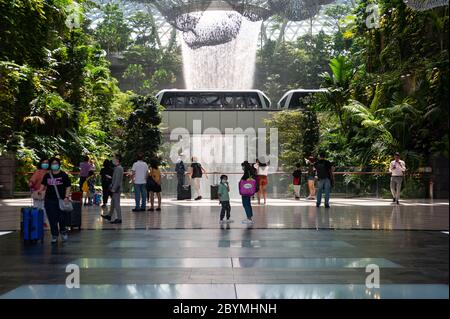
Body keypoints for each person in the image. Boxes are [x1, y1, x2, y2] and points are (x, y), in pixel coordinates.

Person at [39, 157, 71, 244]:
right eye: (52, 164)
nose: (54, 165)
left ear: (59, 165)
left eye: (56, 163)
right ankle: (54, 235)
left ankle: (63, 230)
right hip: (49, 200)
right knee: (52, 219)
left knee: (62, 217)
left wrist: (66, 197)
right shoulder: (47, 175)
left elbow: (68, 186)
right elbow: (42, 185)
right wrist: (39, 191)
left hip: (61, 200)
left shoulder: (63, 175)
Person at [101, 155, 124, 224]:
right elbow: (116, 178)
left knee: (116, 204)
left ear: (117, 160)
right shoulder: (117, 168)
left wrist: (113, 188)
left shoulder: (119, 168)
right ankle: (109, 215)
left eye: (114, 159)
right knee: (113, 203)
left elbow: (117, 180)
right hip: (115, 188)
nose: (113, 160)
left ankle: (119, 219)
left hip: (116, 189)